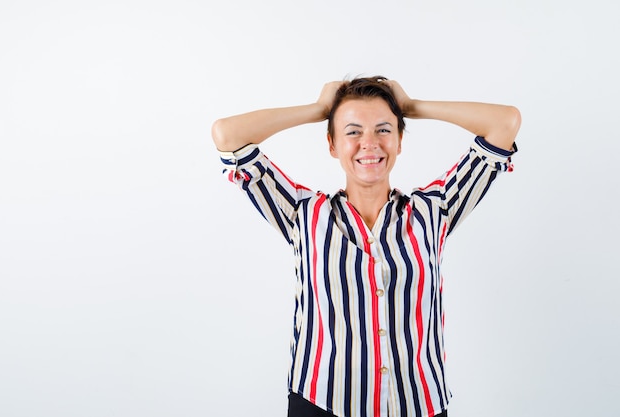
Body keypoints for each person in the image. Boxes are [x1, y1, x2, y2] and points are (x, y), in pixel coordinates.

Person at [211, 76, 521, 417]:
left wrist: (412, 106)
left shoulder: (434, 212)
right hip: (322, 403)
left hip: (417, 405)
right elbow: (228, 135)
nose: (369, 143)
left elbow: (505, 123)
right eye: (353, 131)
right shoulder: (303, 214)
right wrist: (317, 109)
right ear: (332, 144)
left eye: (384, 130)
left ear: (400, 141)